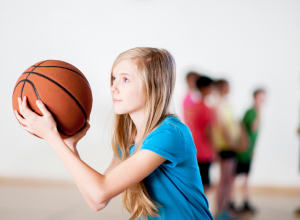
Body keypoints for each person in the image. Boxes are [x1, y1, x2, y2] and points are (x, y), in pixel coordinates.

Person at [14, 47, 214, 220]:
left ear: (155, 88)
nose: (114, 87)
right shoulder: (128, 139)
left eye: (125, 79)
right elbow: (97, 202)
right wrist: (70, 148)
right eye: (113, 78)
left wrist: (53, 137)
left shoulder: (170, 133)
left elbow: (101, 191)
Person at [231, 89, 266, 215]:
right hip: (243, 151)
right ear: (255, 98)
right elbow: (250, 127)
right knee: (235, 176)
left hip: (249, 151)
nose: (262, 101)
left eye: (264, 98)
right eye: (260, 98)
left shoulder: (256, 112)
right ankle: (231, 202)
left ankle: (246, 201)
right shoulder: (251, 112)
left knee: (246, 176)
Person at [212, 79, 240, 220]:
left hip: (230, 146)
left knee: (229, 179)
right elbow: (221, 127)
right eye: (227, 86)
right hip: (224, 147)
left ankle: (226, 208)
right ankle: (219, 210)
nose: (230, 88)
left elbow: (233, 124)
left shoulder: (227, 105)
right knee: (224, 179)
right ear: (222, 88)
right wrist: (231, 143)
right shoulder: (218, 105)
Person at [186, 76, 216, 193]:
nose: (212, 89)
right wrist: (214, 149)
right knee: (205, 184)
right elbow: (208, 131)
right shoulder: (206, 108)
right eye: (210, 87)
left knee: (197, 182)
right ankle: (198, 210)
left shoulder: (192, 107)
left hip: (193, 147)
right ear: (204, 88)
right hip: (204, 150)